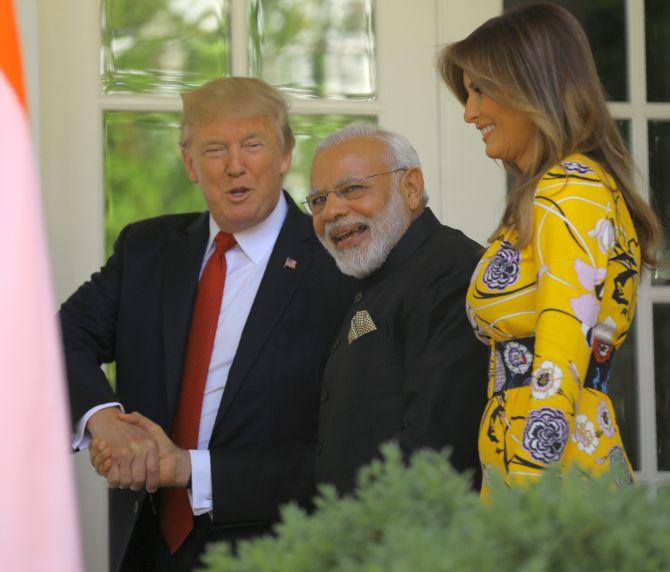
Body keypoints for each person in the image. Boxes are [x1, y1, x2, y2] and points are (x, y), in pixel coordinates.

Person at [61, 77, 353, 572]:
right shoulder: (146, 249)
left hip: (280, 546)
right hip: (147, 543)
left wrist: (193, 470)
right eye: (214, 149)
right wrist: (105, 422)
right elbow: (56, 340)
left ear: (285, 154)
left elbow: (346, 447)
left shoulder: (338, 264)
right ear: (189, 163)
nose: (235, 165)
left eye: (252, 145)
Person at [438, 3, 661, 494]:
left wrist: (530, 489)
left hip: (548, 472)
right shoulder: (559, 189)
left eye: (481, 90)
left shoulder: (569, 188)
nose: (469, 111)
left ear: (531, 86)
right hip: (542, 459)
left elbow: (563, 347)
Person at [306, 122, 488, 494]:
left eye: (352, 188)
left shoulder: (450, 272)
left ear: (411, 187)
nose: (332, 212)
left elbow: (436, 450)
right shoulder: (377, 273)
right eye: (318, 200)